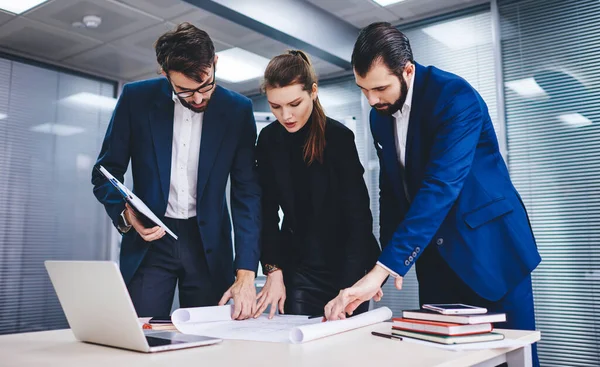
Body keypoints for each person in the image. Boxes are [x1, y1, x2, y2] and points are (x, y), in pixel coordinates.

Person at [324, 21, 540, 366]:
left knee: (511, 358)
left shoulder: (455, 97)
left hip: (492, 253)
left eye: (379, 88)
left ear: (407, 70)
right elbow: (393, 194)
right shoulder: (379, 116)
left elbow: (440, 188)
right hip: (436, 264)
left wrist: (382, 269)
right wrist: (384, 266)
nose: (371, 99)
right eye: (363, 89)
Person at [91, 23, 261, 320]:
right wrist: (126, 214)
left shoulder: (238, 110)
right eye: (184, 90)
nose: (197, 98)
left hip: (209, 246)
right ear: (164, 73)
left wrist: (246, 271)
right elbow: (105, 172)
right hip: (151, 243)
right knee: (142, 337)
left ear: (215, 63)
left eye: (205, 85)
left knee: (209, 342)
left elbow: (247, 194)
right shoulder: (136, 99)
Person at [254, 50, 380, 318]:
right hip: (299, 268)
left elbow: (358, 216)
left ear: (313, 91)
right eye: (275, 107)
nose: (286, 115)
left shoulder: (338, 137)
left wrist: (350, 287)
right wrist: (272, 270)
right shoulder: (268, 140)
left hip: (349, 264)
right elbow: (265, 212)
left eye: (294, 103)